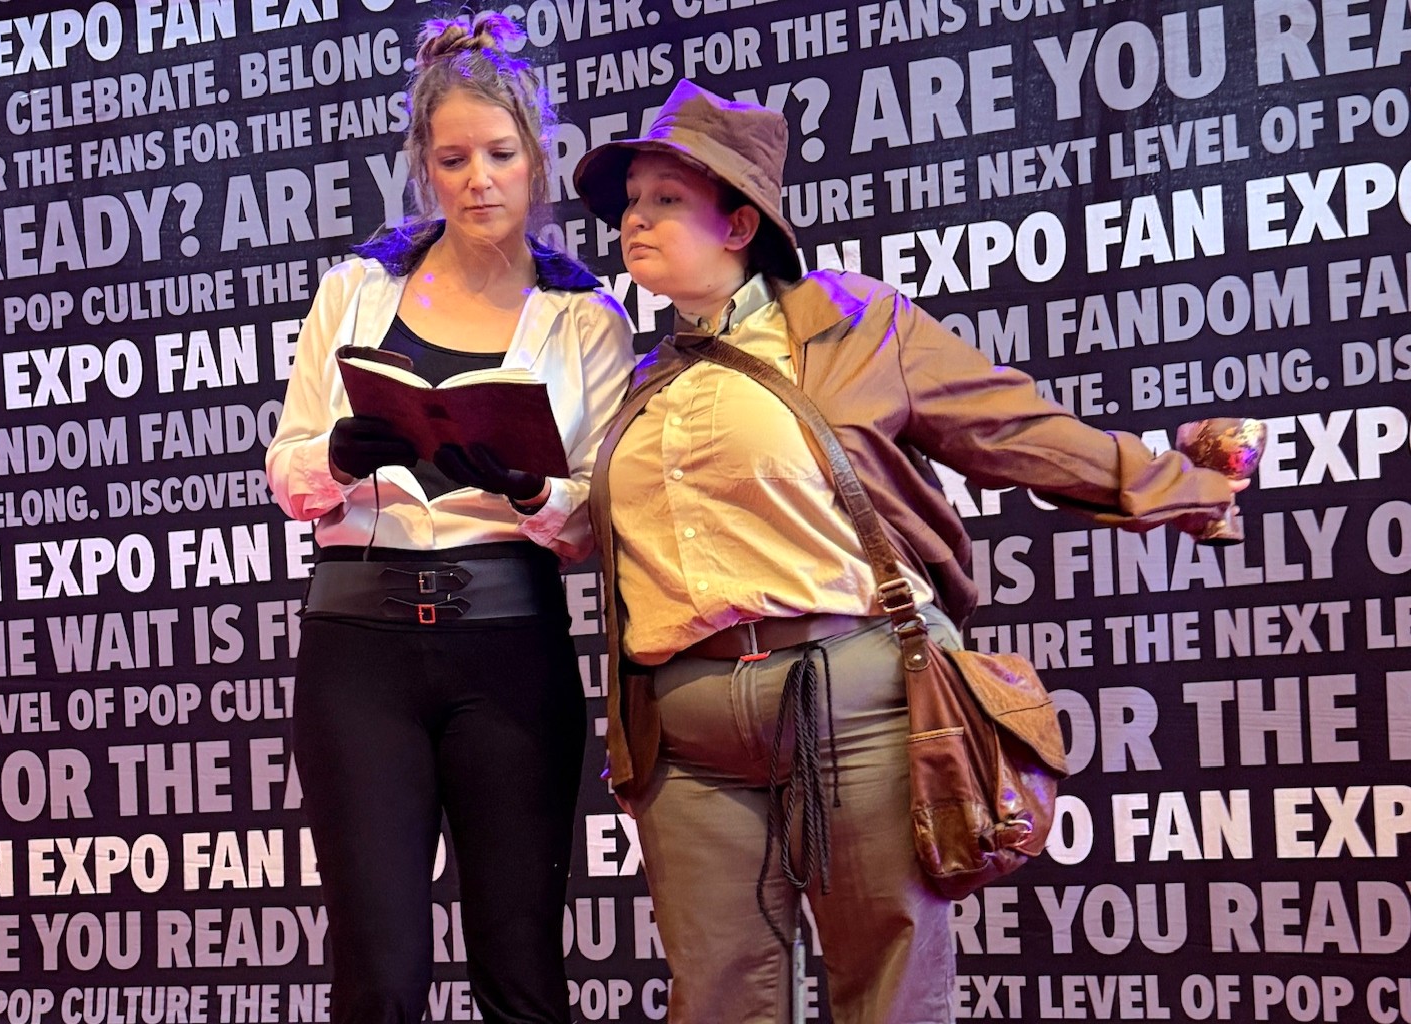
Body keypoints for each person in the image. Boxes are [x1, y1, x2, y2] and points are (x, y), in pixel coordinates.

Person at [573, 80, 1245, 1024]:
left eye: (663, 200)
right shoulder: (644, 380)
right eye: (630, 202)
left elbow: (1016, 426)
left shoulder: (856, 325)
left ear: (736, 225)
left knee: (886, 984)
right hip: (687, 728)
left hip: (855, 698)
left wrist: (1177, 483)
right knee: (715, 997)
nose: (632, 222)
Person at [265, 13, 633, 1024]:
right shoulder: (354, 291)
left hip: (507, 642)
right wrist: (337, 459)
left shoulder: (586, 316)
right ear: (424, 167)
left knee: (521, 973)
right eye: (453, 157)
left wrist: (531, 491)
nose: (479, 179)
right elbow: (288, 462)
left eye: (501, 154)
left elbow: (600, 509)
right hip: (359, 649)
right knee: (378, 975)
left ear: (538, 156)